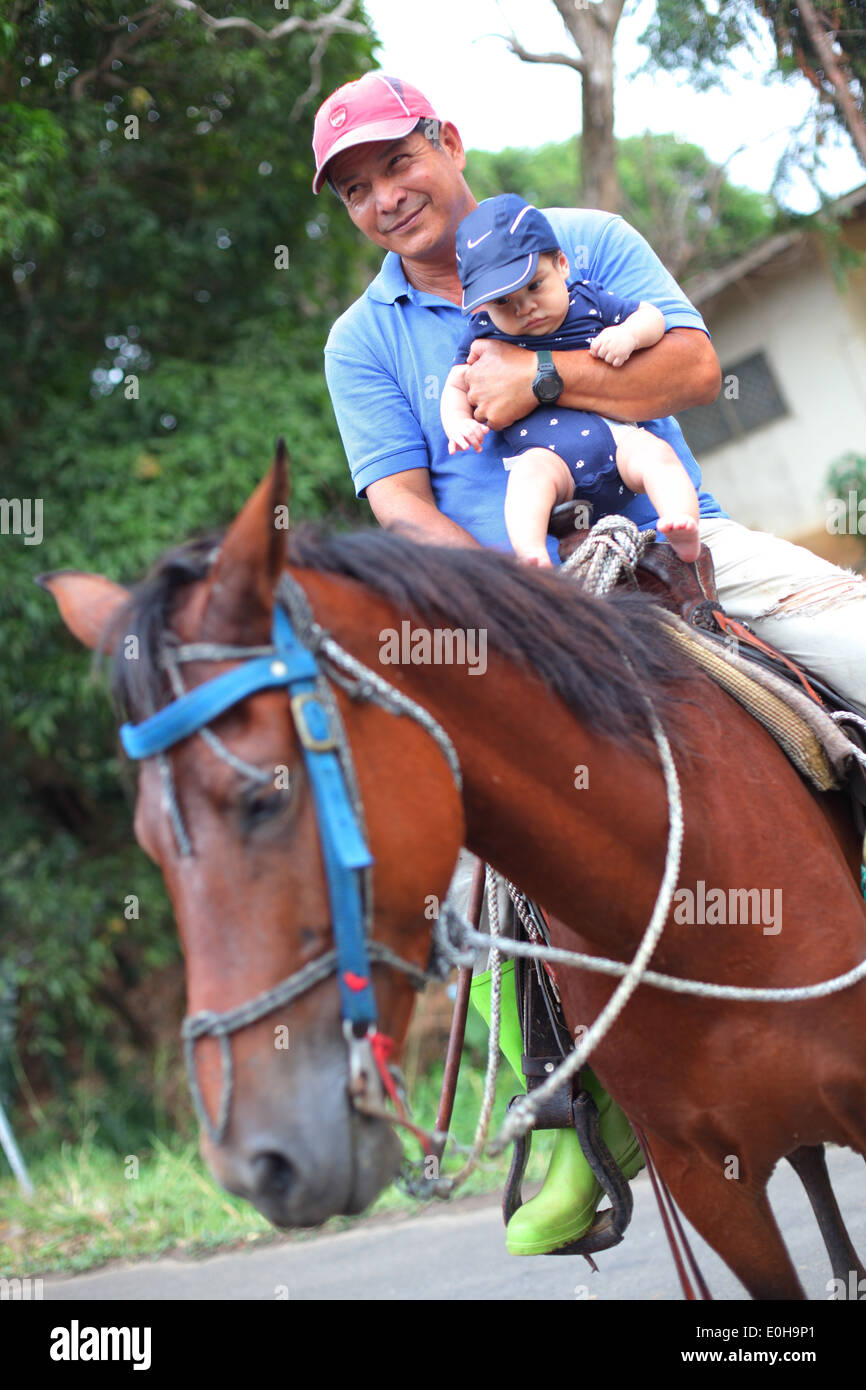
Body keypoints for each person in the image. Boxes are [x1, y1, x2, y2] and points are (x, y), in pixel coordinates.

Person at [311, 71, 866, 1255]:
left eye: (395, 165)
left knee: (855, 645)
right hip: (518, 602)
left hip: (675, 543)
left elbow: (689, 372)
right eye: (355, 190)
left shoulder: (585, 240)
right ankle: (560, 1122)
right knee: (480, 872)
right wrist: (515, 605)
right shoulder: (361, 341)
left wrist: (543, 377)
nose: (383, 199)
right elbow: (402, 507)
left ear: (446, 142)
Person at [440, 193, 701, 566]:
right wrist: (458, 422)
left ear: (562, 264)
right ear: (482, 305)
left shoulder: (588, 300)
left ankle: (681, 522)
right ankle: (531, 554)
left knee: (655, 455)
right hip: (548, 458)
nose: (524, 307)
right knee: (527, 479)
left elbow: (651, 316)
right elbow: (455, 384)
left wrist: (628, 335)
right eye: (503, 302)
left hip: (616, 437)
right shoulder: (483, 335)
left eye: (534, 286)